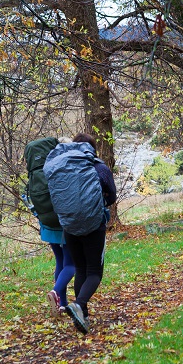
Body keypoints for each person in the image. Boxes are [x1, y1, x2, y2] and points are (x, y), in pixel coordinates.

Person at [59, 133, 116, 334]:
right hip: (93, 226)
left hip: (69, 227)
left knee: (80, 269)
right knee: (94, 271)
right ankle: (79, 304)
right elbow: (112, 195)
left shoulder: (63, 169)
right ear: (92, 149)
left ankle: (83, 315)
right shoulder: (99, 168)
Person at [23, 136, 75, 318]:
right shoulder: (62, 169)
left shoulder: (41, 170)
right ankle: (55, 292)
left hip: (47, 224)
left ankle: (63, 305)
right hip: (63, 224)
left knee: (60, 262)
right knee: (71, 263)